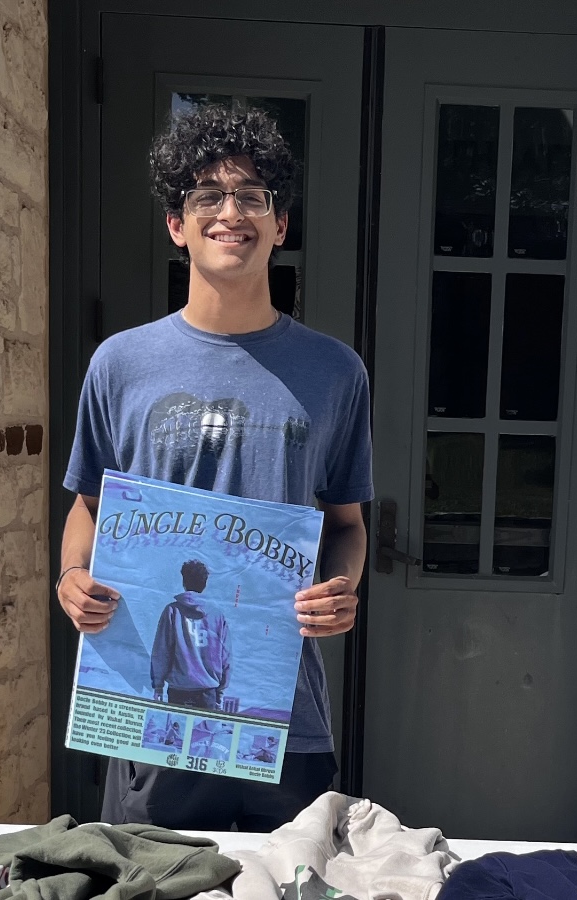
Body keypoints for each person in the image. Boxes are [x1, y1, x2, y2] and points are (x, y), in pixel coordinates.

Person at [57, 102, 373, 832]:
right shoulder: (120, 364)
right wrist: (72, 578)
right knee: (152, 882)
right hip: (147, 717)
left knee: (288, 881)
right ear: (177, 225)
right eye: (207, 195)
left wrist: (340, 587)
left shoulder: (334, 372)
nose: (231, 211)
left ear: (279, 224)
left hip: (283, 713)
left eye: (252, 196)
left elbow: (349, 525)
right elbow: (88, 508)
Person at [150, 559, 232, 710]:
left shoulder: (172, 611)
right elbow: (225, 656)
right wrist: (220, 692)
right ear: (205, 584)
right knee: (203, 733)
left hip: (178, 690)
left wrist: (158, 686)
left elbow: (161, 652)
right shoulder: (217, 615)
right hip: (208, 692)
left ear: (184, 581)